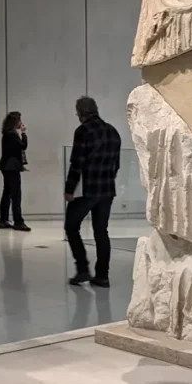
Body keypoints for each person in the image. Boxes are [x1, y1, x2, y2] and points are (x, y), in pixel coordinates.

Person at [65, 96, 121, 287]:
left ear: (81, 113)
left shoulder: (83, 131)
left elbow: (77, 163)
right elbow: (117, 165)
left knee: (71, 226)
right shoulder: (113, 132)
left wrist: (69, 189)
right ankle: (102, 275)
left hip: (88, 190)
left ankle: (82, 269)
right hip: (107, 190)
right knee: (101, 231)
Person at [0, 111, 31, 231]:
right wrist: (24, 133)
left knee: (7, 193)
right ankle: (18, 221)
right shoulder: (12, 134)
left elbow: (12, 152)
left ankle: (3, 219)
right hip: (11, 168)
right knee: (16, 195)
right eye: (19, 120)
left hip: (7, 167)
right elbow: (23, 146)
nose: (21, 123)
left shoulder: (6, 134)